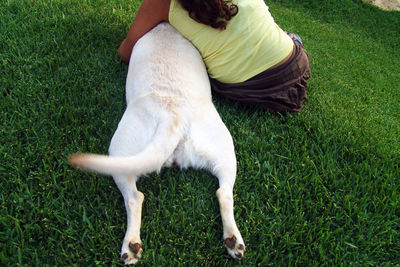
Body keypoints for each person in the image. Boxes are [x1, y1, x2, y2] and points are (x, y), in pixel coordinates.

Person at [118, 0, 311, 112]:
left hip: (250, 91)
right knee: (289, 36)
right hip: (294, 67)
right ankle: (290, 38)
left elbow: (126, 52)